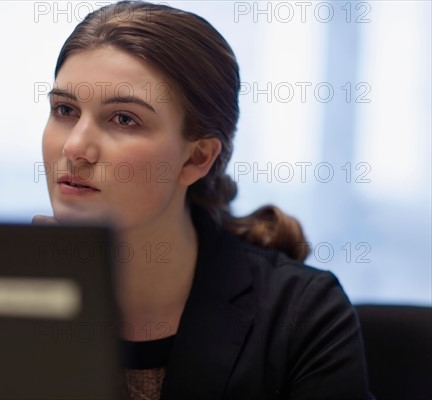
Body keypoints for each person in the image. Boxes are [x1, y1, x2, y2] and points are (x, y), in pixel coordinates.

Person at [33, 1, 374, 399]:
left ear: (196, 158)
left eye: (124, 118)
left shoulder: (302, 315)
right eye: (65, 109)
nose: (75, 147)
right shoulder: (3, 298)